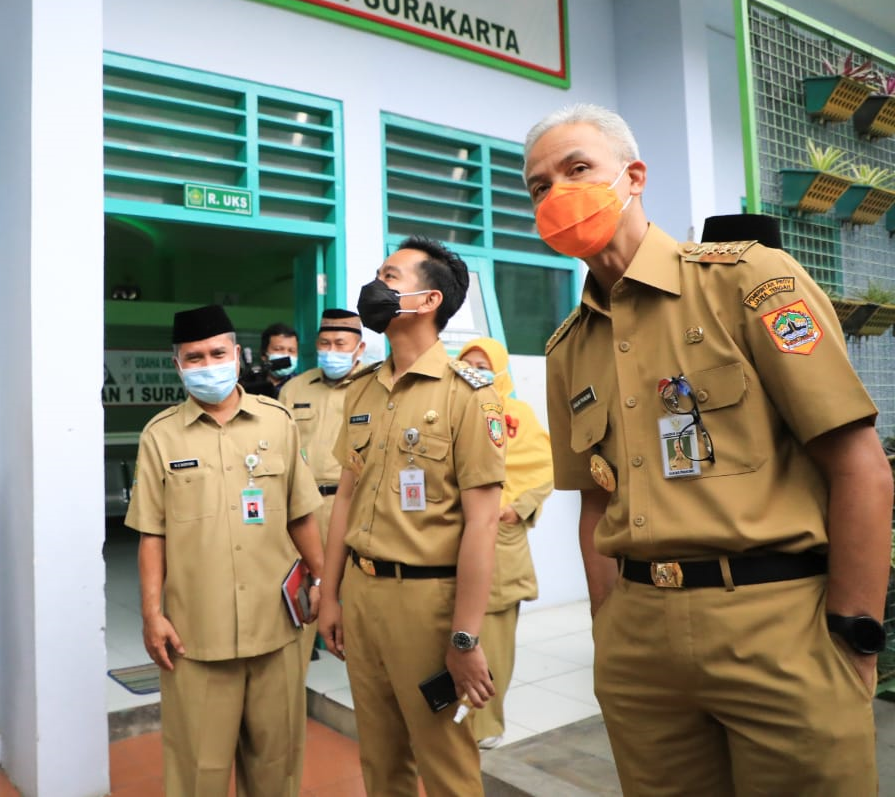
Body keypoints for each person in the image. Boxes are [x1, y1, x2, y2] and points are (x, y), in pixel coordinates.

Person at [527, 103, 892, 795]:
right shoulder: (567, 347)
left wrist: (855, 632)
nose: (556, 194)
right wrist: (612, 635)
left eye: (577, 169)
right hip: (641, 640)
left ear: (633, 176)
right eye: (538, 186)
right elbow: (594, 502)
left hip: (777, 623)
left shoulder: (748, 280)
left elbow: (859, 465)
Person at [317, 237, 506, 796]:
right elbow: (345, 499)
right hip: (364, 594)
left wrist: (466, 638)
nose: (375, 287)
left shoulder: (468, 395)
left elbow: (484, 524)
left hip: (428, 606)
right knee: (379, 758)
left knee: (443, 761)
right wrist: (332, 595)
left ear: (426, 301)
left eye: (390, 277)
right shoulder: (363, 389)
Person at [125, 304, 325, 796]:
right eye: (194, 357)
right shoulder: (160, 436)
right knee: (199, 774)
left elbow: (301, 514)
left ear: (238, 355)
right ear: (177, 365)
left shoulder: (277, 422)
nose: (207, 364)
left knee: (276, 767)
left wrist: (324, 584)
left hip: (277, 628)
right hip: (197, 638)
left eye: (217, 352)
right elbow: (152, 535)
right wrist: (153, 614)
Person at [456, 337, 553, 750]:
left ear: (499, 371)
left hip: (499, 540)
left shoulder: (518, 415)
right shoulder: (449, 411)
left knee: (493, 640)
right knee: (456, 637)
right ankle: (454, 722)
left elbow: (544, 467)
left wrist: (518, 507)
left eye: (482, 365)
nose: (474, 371)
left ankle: (486, 724)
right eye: (466, 365)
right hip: (451, 539)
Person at [277, 308, 368, 668]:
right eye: (325, 343)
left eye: (341, 344)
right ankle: (296, 666)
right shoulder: (295, 389)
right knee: (301, 590)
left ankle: (362, 668)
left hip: (353, 506)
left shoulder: (374, 387)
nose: (332, 350)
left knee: (358, 590)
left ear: (359, 349)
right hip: (303, 508)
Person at [241, 322, 298, 397]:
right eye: (278, 349)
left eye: (291, 351)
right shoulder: (249, 384)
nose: (286, 355)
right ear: (264, 355)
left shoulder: (302, 385)